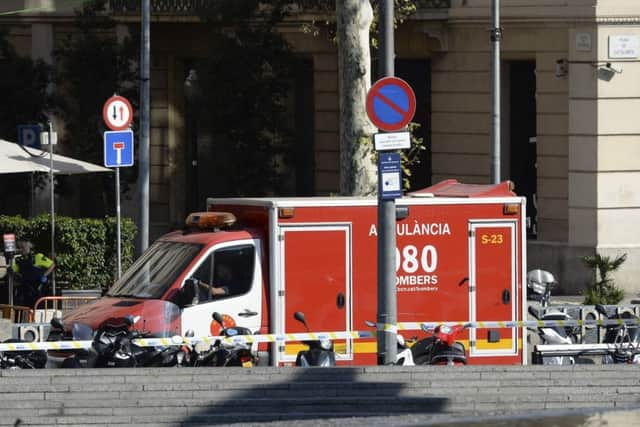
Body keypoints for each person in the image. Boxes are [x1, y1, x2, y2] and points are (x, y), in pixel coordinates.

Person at [12, 240, 55, 307]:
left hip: (38, 290)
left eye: (23, 247)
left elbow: (52, 265)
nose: (21, 249)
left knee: (38, 307)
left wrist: (44, 275)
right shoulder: (19, 260)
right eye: (19, 247)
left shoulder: (38, 257)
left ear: (29, 246)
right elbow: (13, 271)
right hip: (25, 290)